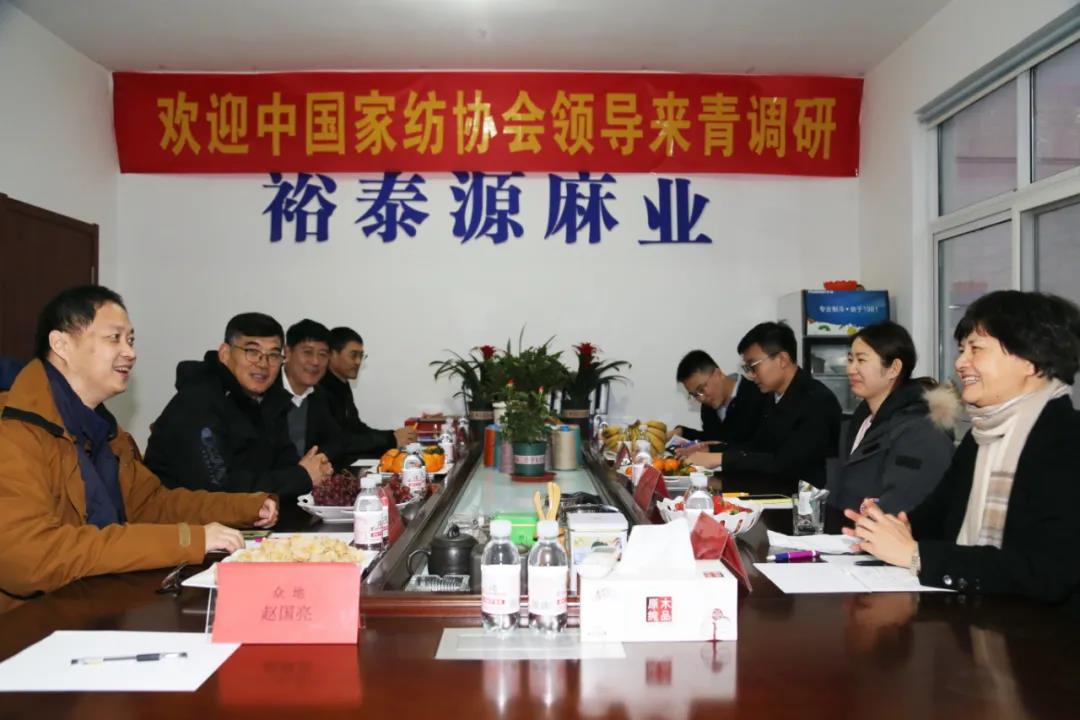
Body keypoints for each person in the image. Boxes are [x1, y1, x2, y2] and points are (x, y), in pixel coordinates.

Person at [0, 286, 276, 613]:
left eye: (130, 340)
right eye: (114, 338)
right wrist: (188, 540)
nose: (130, 353)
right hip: (28, 625)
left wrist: (247, 506)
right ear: (62, 344)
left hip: (99, 603)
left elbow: (151, 505)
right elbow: (30, 558)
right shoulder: (14, 430)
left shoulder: (106, 432)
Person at [845, 291, 1080, 606]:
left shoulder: (1067, 440)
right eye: (961, 350)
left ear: (1029, 361)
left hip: (1043, 631)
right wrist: (891, 528)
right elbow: (937, 516)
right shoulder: (980, 435)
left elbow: (1048, 572)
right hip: (971, 618)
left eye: (976, 349)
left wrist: (916, 554)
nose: (960, 363)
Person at [144, 312, 331, 498]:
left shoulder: (270, 401)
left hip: (253, 512)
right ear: (225, 354)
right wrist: (301, 477)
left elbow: (285, 465)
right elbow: (219, 488)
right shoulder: (197, 403)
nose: (263, 364)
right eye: (252, 352)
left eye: (273, 355)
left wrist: (312, 470)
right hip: (183, 515)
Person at [825, 321, 958, 528]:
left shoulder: (921, 431)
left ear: (893, 369)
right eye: (850, 359)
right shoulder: (858, 422)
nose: (851, 369)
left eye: (861, 360)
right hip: (841, 538)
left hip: (882, 541)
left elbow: (904, 505)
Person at [687, 321, 842, 495]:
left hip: (801, 502)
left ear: (782, 359)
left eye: (753, 366)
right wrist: (712, 451)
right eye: (747, 368)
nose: (750, 375)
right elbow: (758, 447)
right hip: (769, 491)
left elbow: (785, 464)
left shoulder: (816, 401)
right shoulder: (770, 397)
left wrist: (720, 460)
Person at [319, 326, 416, 454]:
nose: (358, 362)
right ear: (332, 354)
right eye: (353, 355)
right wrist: (391, 439)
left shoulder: (342, 384)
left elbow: (357, 429)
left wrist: (394, 435)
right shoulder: (319, 389)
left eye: (361, 356)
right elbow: (341, 441)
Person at [278, 319, 359, 467]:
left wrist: (317, 461)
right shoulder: (266, 389)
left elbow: (337, 441)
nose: (315, 362)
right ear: (287, 352)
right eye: (307, 352)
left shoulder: (318, 394)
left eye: (322, 354)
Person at [671, 349, 765, 453]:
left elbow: (758, 449)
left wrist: (713, 449)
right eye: (695, 395)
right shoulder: (708, 407)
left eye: (701, 389)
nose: (701, 398)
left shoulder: (758, 396)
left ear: (718, 374)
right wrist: (682, 433)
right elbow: (713, 440)